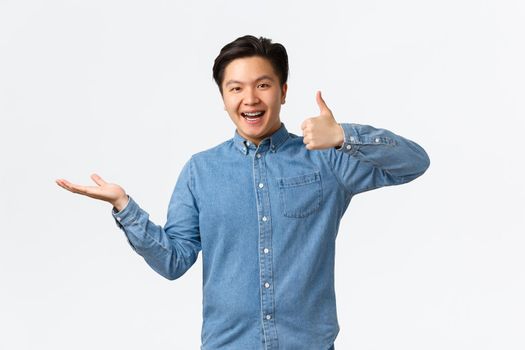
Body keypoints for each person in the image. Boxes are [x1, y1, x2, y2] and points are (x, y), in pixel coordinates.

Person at [56, 35, 430, 350]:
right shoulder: (200, 171)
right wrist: (124, 206)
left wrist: (345, 137)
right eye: (236, 88)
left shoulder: (325, 161)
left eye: (263, 85)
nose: (250, 99)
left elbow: (413, 163)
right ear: (223, 97)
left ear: (283, 91)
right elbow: (173, 261)